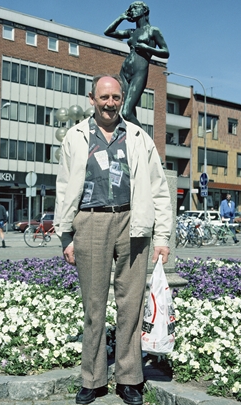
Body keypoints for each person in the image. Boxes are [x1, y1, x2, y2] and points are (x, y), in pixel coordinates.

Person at [54, 74, 172, 405]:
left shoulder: (138, 137)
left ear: (122, 100)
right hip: (90, 221)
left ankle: (130, 379)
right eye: (103, 97)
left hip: (133, 221)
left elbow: (160, 189)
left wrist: (161, 235)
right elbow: (64, 187)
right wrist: (66, 235)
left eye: (116, 98)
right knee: (94, 306)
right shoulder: (75, 137)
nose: (110, 103)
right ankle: (92, 379)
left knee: (130, 305)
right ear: (92, 99)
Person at [104, 1, 169, 127]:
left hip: (139, 71)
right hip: (125, 71)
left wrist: (147, 48)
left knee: (126, 112)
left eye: (135, 8)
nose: (132, 10)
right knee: (129, 111)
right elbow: (108, 32)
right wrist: (121, 17)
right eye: (130, 9)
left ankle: (143, 142)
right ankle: (131, 141)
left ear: (144, 11)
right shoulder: (132, 32)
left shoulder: (153, 31)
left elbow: (166, 52)